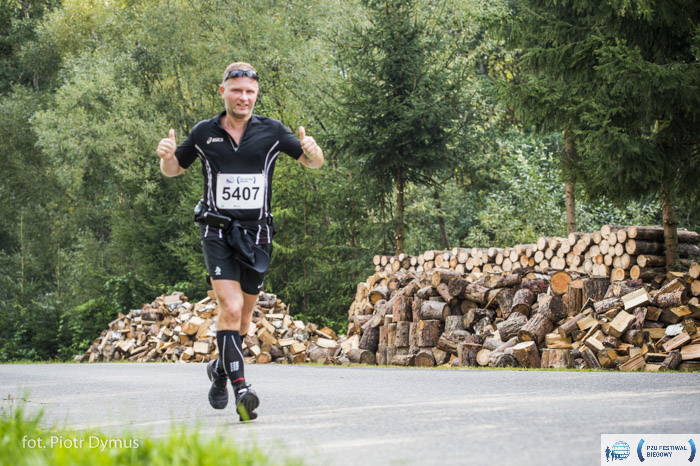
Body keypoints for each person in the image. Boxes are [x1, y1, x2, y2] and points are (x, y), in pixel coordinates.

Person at [156, 62, 324, 421]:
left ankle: (219, 370)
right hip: (217, 231)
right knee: (229, 308)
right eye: (236, 91)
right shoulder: (204, 132)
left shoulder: (272, 131)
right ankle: (242, 390)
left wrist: (312, 149)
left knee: (244, 319)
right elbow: (174, 169)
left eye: (249, 92)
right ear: (223, 92)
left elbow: (313, 163)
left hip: (257, 235)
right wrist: (167, 158)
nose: (243, 97)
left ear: (256, 94)